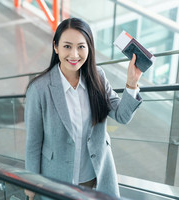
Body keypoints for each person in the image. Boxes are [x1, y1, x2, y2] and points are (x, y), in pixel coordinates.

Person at [24, 18, 143, 199]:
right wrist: (31, 186)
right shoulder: (39, 89)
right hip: (56, 180)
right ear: (55, 47)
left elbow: (122, 115)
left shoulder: (98, 77)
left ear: (89, 48)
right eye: (67, 46)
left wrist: (132, 83)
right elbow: (33, 144)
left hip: (94, 178)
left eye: (81, 47)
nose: (74, 54)